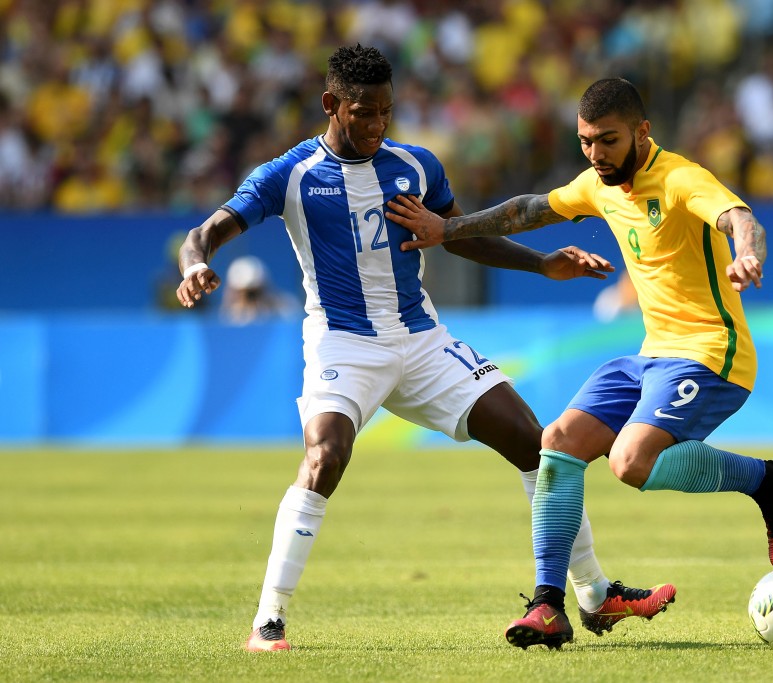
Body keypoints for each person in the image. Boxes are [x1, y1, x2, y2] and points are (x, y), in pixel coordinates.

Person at [174, 46, 676, 653]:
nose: (377, 125)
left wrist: (542, 264)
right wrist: (197, 262)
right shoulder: (289, 174)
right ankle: (269, 619)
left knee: (536, 443)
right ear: (332, 105)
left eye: (386, 111)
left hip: (422, 339)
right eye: (363, 113)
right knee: (326, 455)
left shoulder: (416, 166)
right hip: (343, 342)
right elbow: (206, 231)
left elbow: (459, 238)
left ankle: (594, 593)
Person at [386, 77, 773, 650]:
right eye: (585, 142)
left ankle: (768, 480)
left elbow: (738, 217)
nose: (595, 154)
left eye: (607, 141)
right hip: (650, 356)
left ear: (641, 131)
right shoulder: (599, 184)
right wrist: (448, 228)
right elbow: (528, 210)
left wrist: (747, 253)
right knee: (555, 440)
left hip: (712, 353)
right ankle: (548, 606)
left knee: (629, 463)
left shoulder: (682, 178)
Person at [220, 255, 300, 325]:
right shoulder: (226, 317)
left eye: (252, 293)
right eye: (239, 293)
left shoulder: (287, 310)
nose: (246, 300)